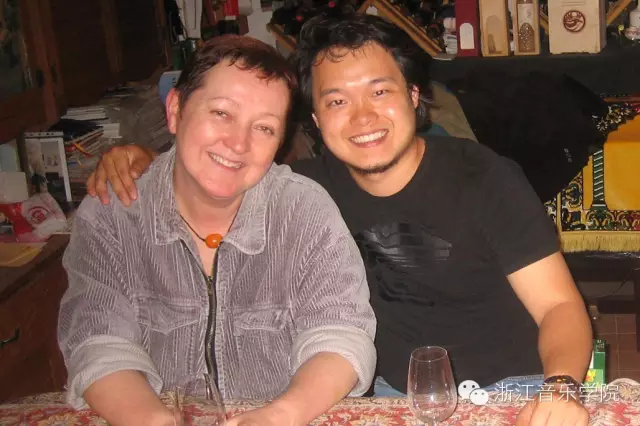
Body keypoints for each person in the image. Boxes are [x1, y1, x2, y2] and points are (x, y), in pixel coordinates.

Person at [86, 14, 593, 426]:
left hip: (511, 390)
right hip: (388, 395)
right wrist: (142, 159)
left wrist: (560, 388)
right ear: (314, 120)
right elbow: (217, 169)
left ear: (414, 97)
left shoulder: (484, 179)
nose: (363, 117)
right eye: (336, 101)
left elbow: (559, 306)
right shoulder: (304, 191)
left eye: (380, 92)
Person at [58, 34, 377, 426]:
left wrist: (281, 415)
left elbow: (342, 334)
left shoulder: (302, 210)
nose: (238, 143)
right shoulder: (113, 212)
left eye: (264, 128)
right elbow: (97, 341)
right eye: (222, 113)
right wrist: (153, 421)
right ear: (175, 110)